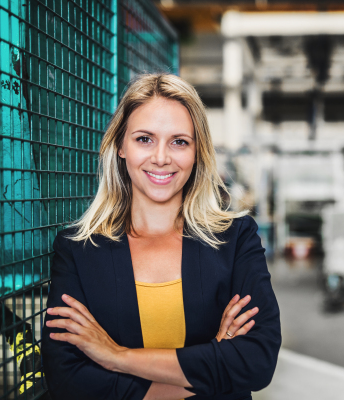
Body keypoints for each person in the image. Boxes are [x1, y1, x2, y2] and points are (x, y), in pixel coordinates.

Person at [41, 73, 281, 400]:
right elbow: (66, 379)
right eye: (145, 139)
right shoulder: (78, 250)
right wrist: (213, 368)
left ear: (198, 152)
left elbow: (256, 362)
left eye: (179, 141)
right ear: (120, 146)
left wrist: (116, 357)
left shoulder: (236, 239)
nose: (161, 158)